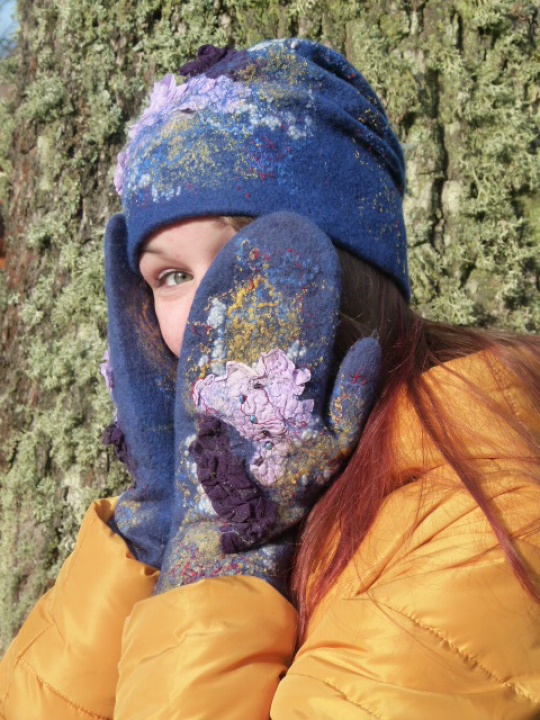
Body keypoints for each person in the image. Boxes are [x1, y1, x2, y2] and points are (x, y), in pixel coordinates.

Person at [0, 38, 539, 720]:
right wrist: (157, 520)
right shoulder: (225, 488)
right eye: (169, 276)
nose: (200, 311)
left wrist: (218, 559)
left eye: (238, 257)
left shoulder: (479, 514)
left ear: (348, 267)